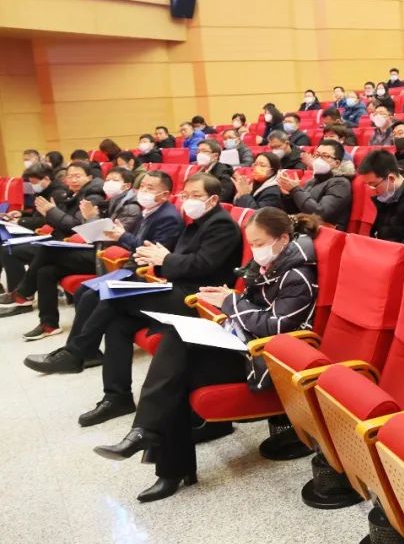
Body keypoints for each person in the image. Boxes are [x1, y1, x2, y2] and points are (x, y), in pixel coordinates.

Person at [92, 208, 319, 502]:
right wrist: (227, 298)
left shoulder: (298, 275)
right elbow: (250, 304)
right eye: (252, 243)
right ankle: (156, 449)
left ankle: (158, 450)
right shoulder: (271, 262)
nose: (255, 250)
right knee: (175, 354)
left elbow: (275, 326)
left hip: (266, 360)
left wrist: (230, 302)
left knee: (176, 370)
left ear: (283, 239)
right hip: (245, 344)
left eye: (260, 243)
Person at [67, 174, 243, 427]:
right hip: (180, 288)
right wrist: (161, 260)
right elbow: (180, 260)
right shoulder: (198, 221)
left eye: (196, 196)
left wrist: (165, 259)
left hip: (199, 299)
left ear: (213, 199)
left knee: (116, 299)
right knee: (118, 323)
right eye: (186, 195)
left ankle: (78, 351)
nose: (189, 200)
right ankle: (117, 397)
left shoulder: (221, 225)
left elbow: (203, 265)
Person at [23, 170, 185, 375]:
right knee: (84, 291)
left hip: (147, 274)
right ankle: (83, 352)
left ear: (165, 194)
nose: (143, 190)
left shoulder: (168, 217)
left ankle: (75, 355)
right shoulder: (149, 211)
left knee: (94, 295)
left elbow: (153, 252)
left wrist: (122, 236)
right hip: (131, 267)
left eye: (150, 188)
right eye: (142, 186)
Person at [0, 167, 140, 340]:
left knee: (47, 250)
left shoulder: (127, 206)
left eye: (115, 180)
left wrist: (89, 218)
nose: (109, 183)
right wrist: (86, 219)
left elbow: (111, 237)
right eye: (108, 179)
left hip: (105, 256)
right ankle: (48, 324)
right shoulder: (109, 200)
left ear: (126, 186)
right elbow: (86, 230)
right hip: (94, 248)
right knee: (46, 271)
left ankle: (22, 293)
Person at [280, 140, 355, 231]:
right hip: (304, 226)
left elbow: (320, 213)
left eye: (325, 156)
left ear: (337, 163)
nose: (319, 159)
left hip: (323, 231)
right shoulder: (314, 180)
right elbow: (297, 209)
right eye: (317, 155)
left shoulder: (341, 183)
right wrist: (289, 195)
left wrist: (296, 190)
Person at [193, 140, 236, 204]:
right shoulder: (201, 171)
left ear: (215, 156)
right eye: (198, 151)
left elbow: (223, 197)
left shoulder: (224, 171)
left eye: (204, 151)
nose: (200, 154)